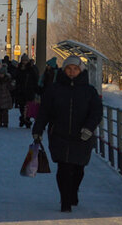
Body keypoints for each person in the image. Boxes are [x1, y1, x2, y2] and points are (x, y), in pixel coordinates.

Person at [33, 55, 102, 213]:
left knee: (78, 169)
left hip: (82, 136)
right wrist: (38, 130)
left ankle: (73, 192)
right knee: (63, 168)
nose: (72, 72)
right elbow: (44, 112)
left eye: (75, 69)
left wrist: (89, 128)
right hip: (59, 134)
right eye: (69, 69)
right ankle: (65, 201)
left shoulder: (89, 91)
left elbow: (96, 112)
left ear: (80, 71)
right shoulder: (54, 89)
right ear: (63, 70)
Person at [14, 54, 38, 127]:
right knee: (21, 107)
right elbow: (16, 78)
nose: (24, 62)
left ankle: (26, 119)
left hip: (29, 91)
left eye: (26, 60)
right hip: (20, 91)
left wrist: (35, 88)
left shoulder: (31, 69)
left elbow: (35, 79)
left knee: (28, 107)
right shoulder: (18, 69)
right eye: (23, 60)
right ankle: (24, 119)